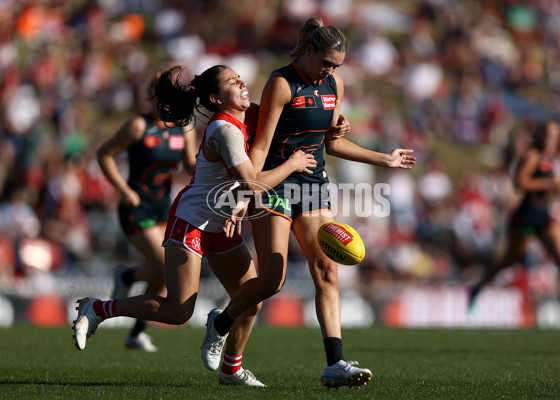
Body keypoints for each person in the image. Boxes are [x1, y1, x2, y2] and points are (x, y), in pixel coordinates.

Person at [200, 16, 417, 389]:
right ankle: (220, 322)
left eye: (337, 66)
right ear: (310, 50)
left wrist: (385, 158)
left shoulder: (335, 84)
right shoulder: (281, 83)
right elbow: (263, 145)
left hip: (314, 186)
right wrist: (246, 191)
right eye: (326, 63)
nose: (330, 71)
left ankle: (335, 363)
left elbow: (330, 143)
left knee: (327, 272)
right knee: (272, 280)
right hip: (277, 184)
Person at [73, 64, 322, 387]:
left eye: (240, 78)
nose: (243, 83)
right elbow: (251, 183)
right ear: (217, 98)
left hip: (222, 225)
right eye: (233, 82)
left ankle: (231, 369)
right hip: (191, 221)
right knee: (179, 311)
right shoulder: (224, 129)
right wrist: (292, 164)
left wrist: (334, 127)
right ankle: (99, 308)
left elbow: (295, 125)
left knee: (249, 300)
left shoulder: (252, 114)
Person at [96, 80, 197, 352]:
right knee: (169, 267)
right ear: (150, 99)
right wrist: (123, 189)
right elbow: (104, 154)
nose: (163, 104)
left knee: (164, 273)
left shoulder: (184, 128)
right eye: (158, 98)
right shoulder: (138, 125)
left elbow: (190, 164)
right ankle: (127, 279)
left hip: (164, 208)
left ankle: (136, 329)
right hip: (136, 208)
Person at [468, 119, 560, 325]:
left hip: (545, 216)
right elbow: (519, 183)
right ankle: (477, 288)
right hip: (526, 216)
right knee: (509, 260)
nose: (549, 138)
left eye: (554, 135)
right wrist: (549, 182)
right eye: (547, 133)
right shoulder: (533, 156)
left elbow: (555, 189)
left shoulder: (555, 159)